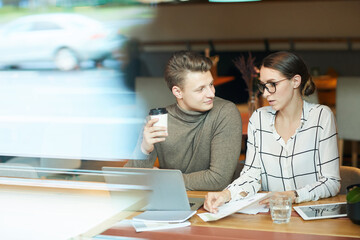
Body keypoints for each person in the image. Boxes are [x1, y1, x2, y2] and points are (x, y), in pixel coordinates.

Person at [204, 51, 340, 213]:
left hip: (312, 219)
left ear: (295, 81)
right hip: (273, 217)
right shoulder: (259, 119)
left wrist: (294, 195)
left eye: (272, 84)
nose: (265, 93)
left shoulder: (321, 116)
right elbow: (251, 176)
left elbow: (331, 182)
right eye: (263, 85)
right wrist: (226, 194)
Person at [126, 50, 243, 191]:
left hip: (215, 203)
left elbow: (218, 179)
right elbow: (129, 180)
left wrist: (163, 178)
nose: (211, 94)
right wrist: (144, 149)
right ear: (177, 92)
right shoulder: (158, 120)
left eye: (211, 85)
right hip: (174, 198)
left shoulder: (225, 112)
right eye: (201, 89)